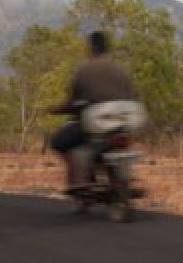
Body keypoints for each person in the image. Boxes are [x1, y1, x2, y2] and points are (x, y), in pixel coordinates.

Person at [49, 30, 136, 191]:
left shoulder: (84, 70)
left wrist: (56, 110)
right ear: (107, 48)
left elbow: (73, 102)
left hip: (95, 123)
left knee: (57, 142)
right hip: (121, 123)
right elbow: (131, 97)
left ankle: (78, 176)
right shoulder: (121, 71)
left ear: (91, 48)